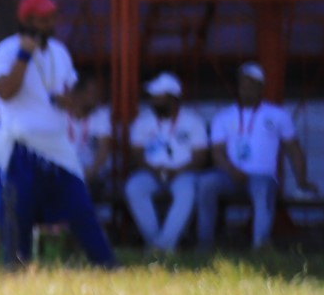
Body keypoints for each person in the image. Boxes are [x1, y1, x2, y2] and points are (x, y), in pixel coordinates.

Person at [0, 0, 117, 268]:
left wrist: (66, 100)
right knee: (18, 212)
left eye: (52, 17)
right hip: (20, 145)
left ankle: (106, 265)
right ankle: (16, 270)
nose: (51, 23)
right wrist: (24, 55)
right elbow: (4, 91)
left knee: (80, 206)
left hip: (56, 144)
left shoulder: (60, 51)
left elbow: (69, 98)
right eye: (44, 19)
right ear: (29, 20)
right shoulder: (7, 49)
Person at [201, 62, 309, 252]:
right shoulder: (224, 116)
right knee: (206, 184)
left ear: (261, 86)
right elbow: (217, 152)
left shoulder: (277, 115)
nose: (245, 87)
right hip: (229, 175)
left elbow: (293, 149)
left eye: (251, 83)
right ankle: (205, 244)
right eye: (242, 83)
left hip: (262, 176)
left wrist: (301, 180)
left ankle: (260, 245)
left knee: (263, 189)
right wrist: (232, 170)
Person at [126, 72, 209, 254]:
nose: (153, 101)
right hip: (151, 172)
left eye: (158, 97)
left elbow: (200, 156)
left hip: (183, 173)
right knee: (134, 187)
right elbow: (136, 153)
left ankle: (164, 245)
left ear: (172, 99)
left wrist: (177, 171)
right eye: (153, 97)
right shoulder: (143, 121)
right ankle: (157, 242)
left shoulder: (193, 121)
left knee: (187, 190)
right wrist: (153, 169)